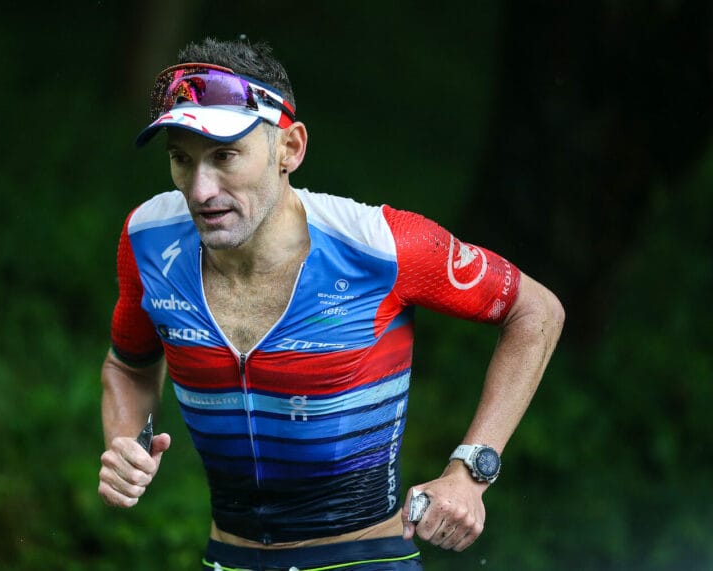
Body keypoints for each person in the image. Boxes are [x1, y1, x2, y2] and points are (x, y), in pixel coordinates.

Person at [98, 38, 564, 571]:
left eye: (225, 157)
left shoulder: (385, 246)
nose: (201, 190)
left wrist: (471, 469)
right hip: (228, 558)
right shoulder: (148, 238)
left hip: (364, 559)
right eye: (182, 160)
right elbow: (129, 365)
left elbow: (538, 311)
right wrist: (123, 443)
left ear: (289, 149)